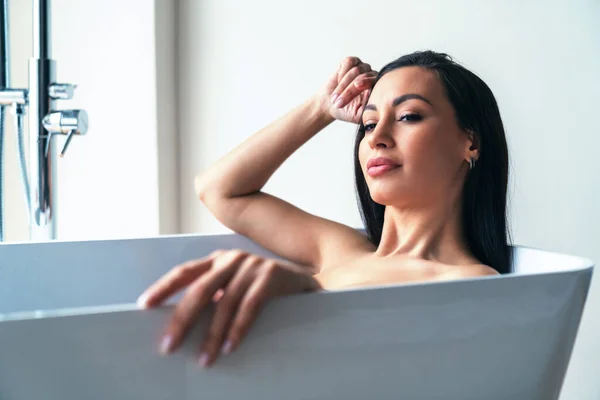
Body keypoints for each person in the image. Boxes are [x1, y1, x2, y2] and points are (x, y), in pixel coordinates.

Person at [137, 50, 511, 368]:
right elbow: (218, 189)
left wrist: (312, 294)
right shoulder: (338, 249)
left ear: (470, 143)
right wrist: (321, 108)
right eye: (367, 124)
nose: (376, 137)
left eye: (408, 116)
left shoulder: (470, 282)